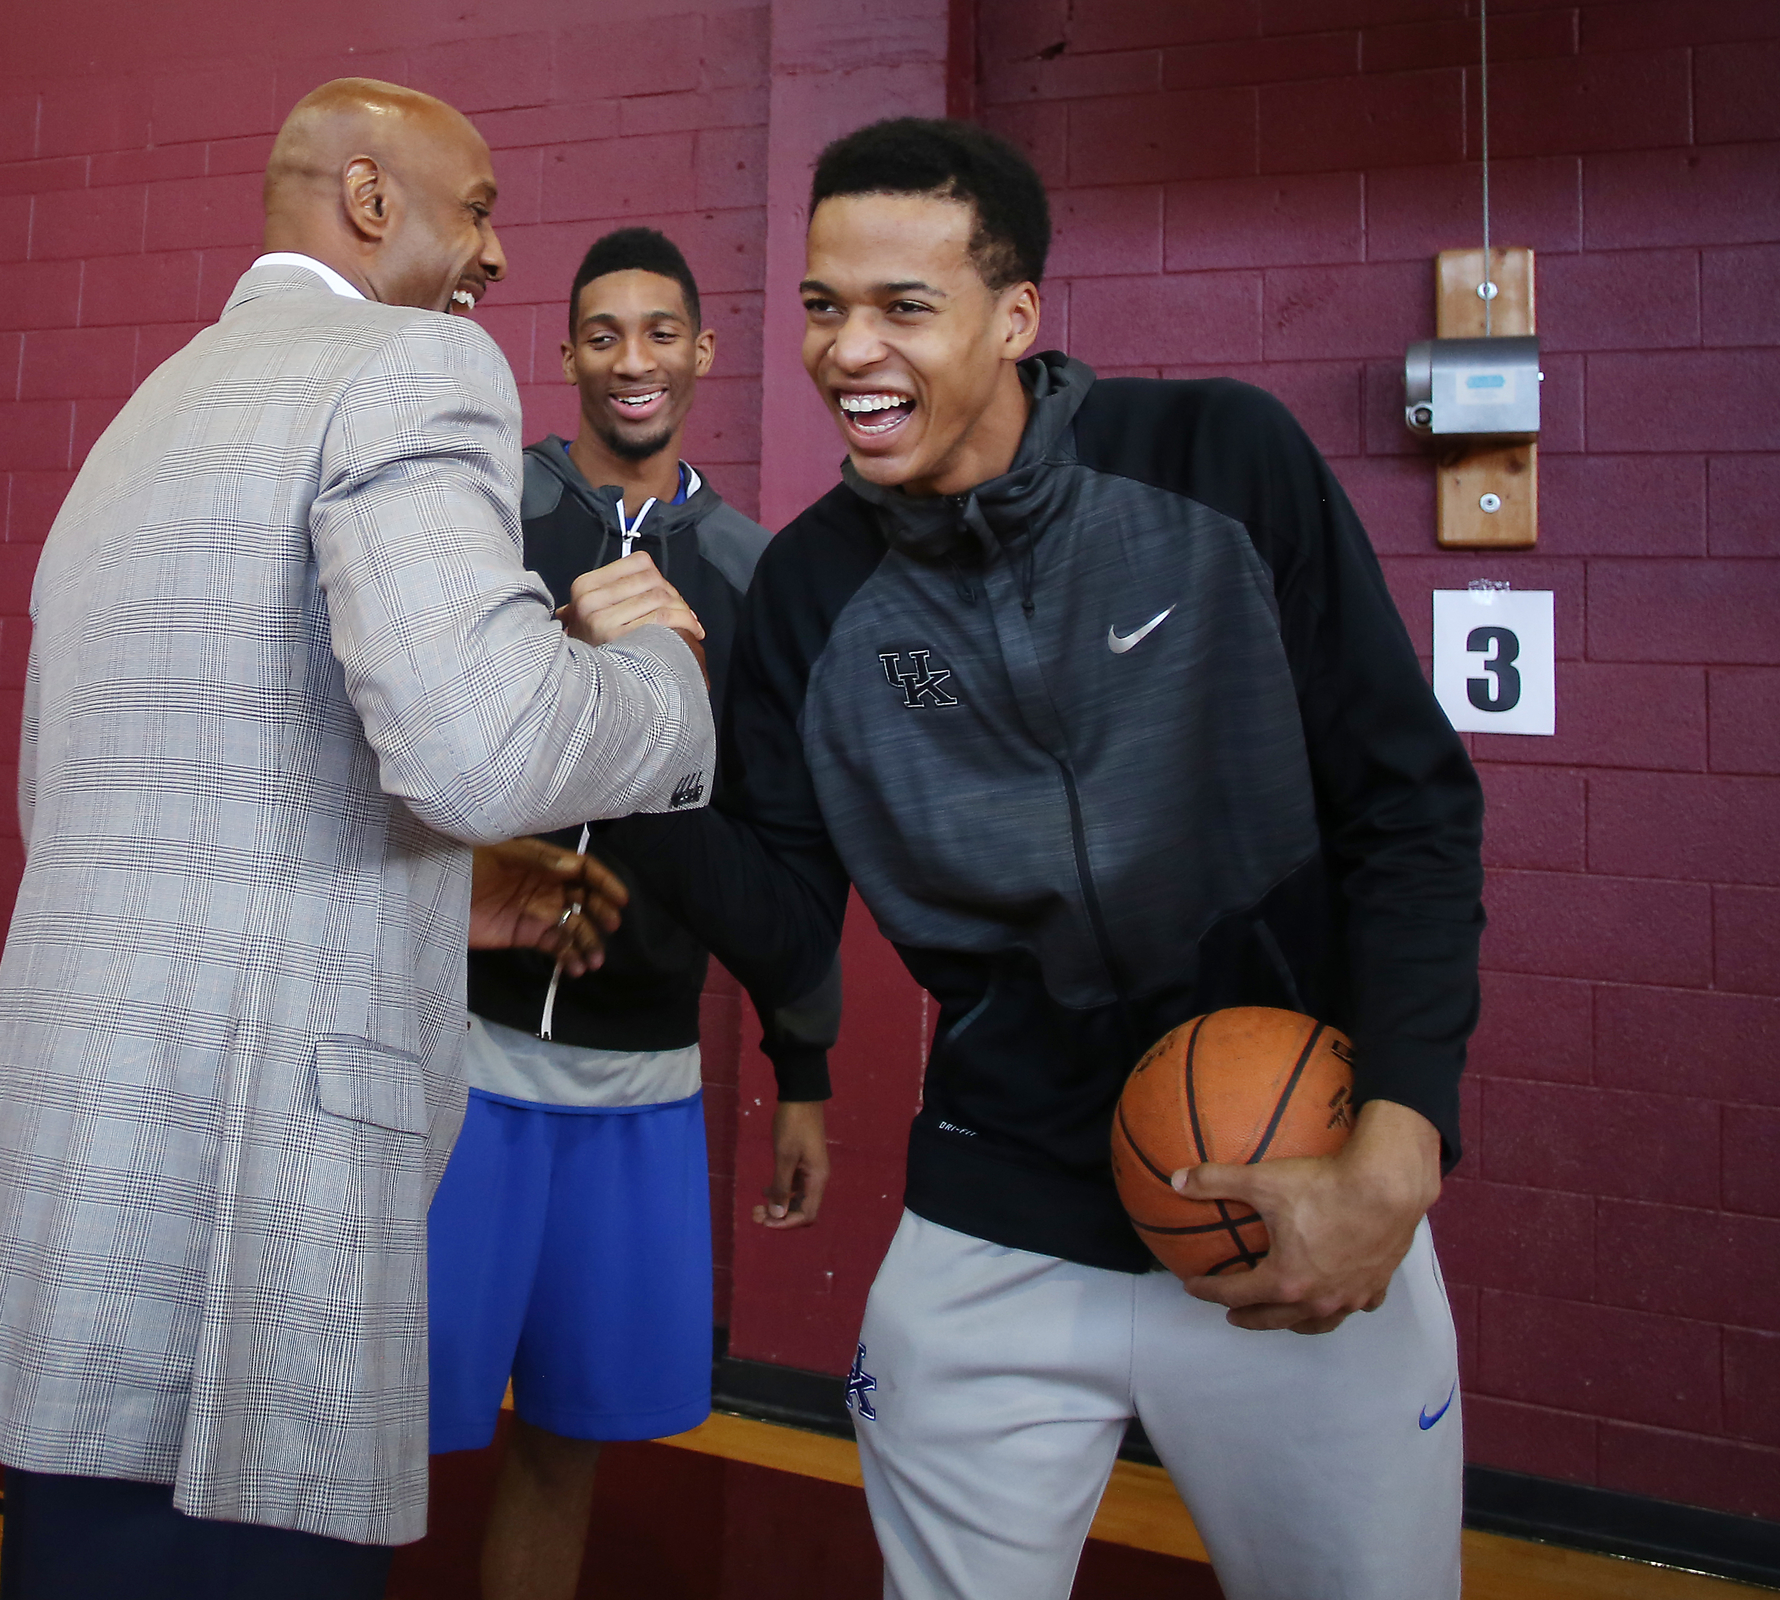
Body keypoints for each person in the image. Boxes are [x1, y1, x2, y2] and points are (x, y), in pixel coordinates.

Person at [0, 80, 718, 1600]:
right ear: (372, 201)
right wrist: (661, 674)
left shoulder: (151, 411)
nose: (499, 266)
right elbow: (488, 745)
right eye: (478, 211)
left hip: (87, 1155)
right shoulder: (413, 365)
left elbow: (129, 788)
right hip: (255, 1184)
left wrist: (429, 894)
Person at [623, 119, 1483, 1599]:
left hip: (1294, 1169)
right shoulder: (816, 592)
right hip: (1000, 1205)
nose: (848, 351)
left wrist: (1401, 1138)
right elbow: (781, 922)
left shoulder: (1220, 463)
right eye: (826, 305)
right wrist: (627, 745)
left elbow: (1409, 805)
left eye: (906, 306)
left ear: (1015, 318)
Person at [428, 226, 839, 1600]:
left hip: (639, 1075)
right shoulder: (495, 516)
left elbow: (793, 848)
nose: (633, 361)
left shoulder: (754, 570)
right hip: (454, 1053)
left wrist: (804, 1072)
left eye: (660, 331)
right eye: (603, 334)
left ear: (704, 352)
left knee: (567, 1446)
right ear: (569, 354)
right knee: (373, 1428)